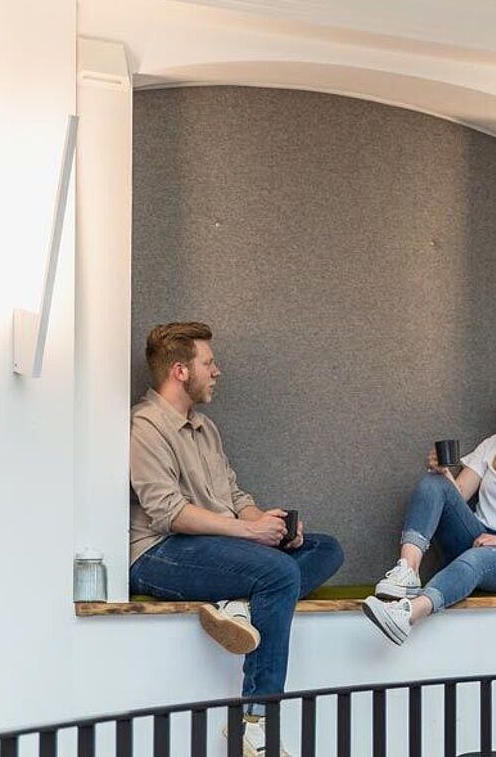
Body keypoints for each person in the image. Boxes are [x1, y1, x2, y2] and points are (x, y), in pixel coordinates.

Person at [128, 322, 344, 754]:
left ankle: (238, 605)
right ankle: (255, 723)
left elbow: (235, 496)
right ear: (180, 371)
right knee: (280, 574)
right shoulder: (144, 427)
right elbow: (169, 513)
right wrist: (249, 532)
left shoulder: (206, 428)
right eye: (208, 363)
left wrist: (267, 524)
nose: (217, 371)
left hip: (220, 545)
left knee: (326, 548)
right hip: (158, 554)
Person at [362, 378, 496, 645]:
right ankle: (407, 571)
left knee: (476, 559)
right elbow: (458, 495)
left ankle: (409, 614)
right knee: (434, 483)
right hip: (481, 537)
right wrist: (444, 473)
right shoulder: (493, 446)